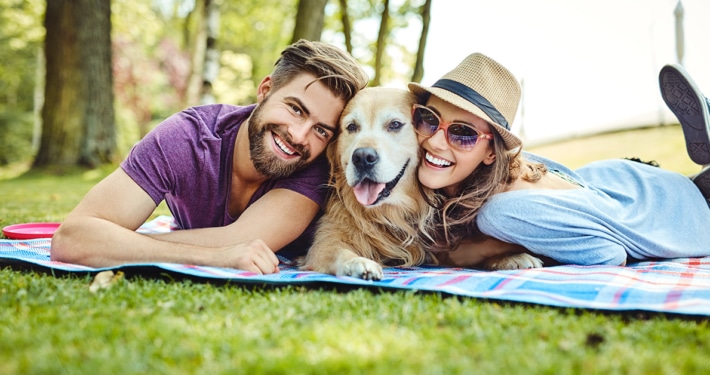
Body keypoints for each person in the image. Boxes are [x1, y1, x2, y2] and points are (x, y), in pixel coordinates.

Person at [50, 40, 369, 274]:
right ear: (265, 90)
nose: (300, 137)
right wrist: (216, 256)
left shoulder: (314, 165)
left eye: (321, 130)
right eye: (295, 109)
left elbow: (243, 240)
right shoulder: (186, 139)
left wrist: (123, 243)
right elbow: (72, 239)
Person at [407, 52, 710, 268]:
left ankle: (698, 189)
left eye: (462, 133)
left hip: (676, 214)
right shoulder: (480, 177)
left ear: (491, 153)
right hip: (618, 181)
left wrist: (481, 250)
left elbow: (608, 254)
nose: (434, 140)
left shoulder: (501, 213)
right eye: (427, 119)